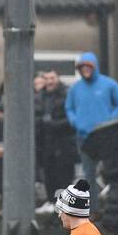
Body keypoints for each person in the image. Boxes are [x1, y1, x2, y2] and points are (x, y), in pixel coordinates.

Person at [66, 52, 118, 187]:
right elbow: (69, 108)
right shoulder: (75, 88)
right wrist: (75, 121)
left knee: (110, 171)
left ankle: (113, 204)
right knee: (89, 175)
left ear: (95, 67)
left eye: (89, 66)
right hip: (84, 137)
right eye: (83, 67)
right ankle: (92, 207)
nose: (86, 70)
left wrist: (110, 119)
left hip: (105, 135)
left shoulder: (109, 84)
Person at [35, 70, 77, 212]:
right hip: (46, 145)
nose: (49, 81)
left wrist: (52, 123)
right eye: (47, 78)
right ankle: (52, 205)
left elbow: (71, 120)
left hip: (63, 145)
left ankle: (63, 209)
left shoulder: (66, 94)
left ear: (58, 78)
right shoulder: (41, 96)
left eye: (52, 78)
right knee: (49, 177)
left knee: (64, 179)